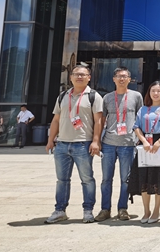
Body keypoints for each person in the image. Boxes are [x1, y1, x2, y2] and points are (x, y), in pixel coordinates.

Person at [45, 63, 103, 224]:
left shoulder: (94, 96)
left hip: (83, 144)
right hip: (62, 144)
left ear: (89, 78)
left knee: (87, 179)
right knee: (62, 180)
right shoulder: (63, 96)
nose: (79, 77)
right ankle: (60, 210)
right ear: (70, 77)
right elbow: (56, 119)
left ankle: (88, 211)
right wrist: (50, 140)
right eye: (76, 74)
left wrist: (96, 141)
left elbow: (99, 121)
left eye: (83, 74)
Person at [94, 67, 144, 222]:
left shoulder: (136, 96)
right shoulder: (107, 98)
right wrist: (97, 140)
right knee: (106, 179)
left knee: (125, 179)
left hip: (128, 144)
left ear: (129, 79)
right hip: (108, 143)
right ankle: (105, 209)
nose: (122, 79)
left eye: (125, 76)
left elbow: (140, 118)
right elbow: (102, 120)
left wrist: (140, 138)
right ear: (114, 79)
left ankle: (123, 208)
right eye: (118, 76)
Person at [128, 81, 160, 224]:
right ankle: (146, 210)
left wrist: (159, 141)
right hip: (145, 145)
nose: (156, 93)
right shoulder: (143, 109)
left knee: (159, 178)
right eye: (153, 90)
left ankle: (156, 210)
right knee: (144, 178)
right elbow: (136, 126)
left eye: (159, 91)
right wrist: (144, 141)